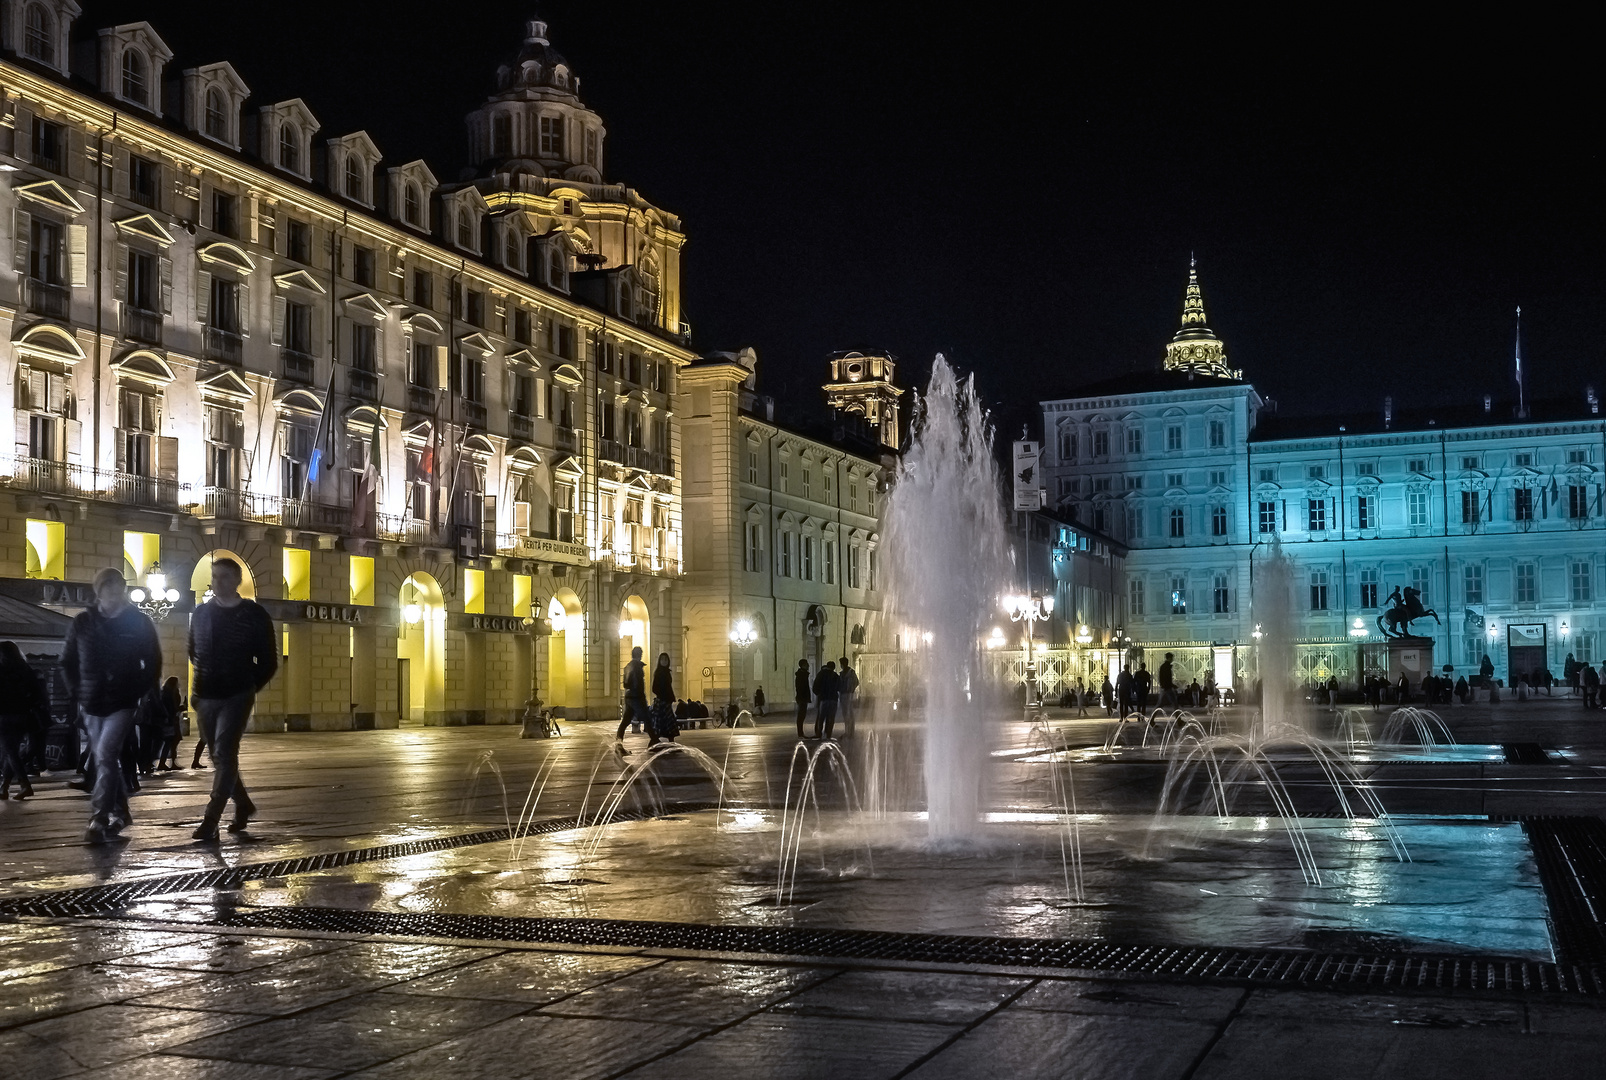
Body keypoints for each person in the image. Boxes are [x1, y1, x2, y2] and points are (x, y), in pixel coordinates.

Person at [62, 568, 162, 844]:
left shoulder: (138, 622)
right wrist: (78, 692)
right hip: (92, 701)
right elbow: (68, 661)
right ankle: (123, 811)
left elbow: (153, 662)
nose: (114, 592)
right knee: (105, 758)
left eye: (118, 587)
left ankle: (99, 817)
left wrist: (138, 691)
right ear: (99, 590)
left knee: (105, 753)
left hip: (122, 700)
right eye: (108, 587)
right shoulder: (83, 622)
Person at [187, 558, 278, 841]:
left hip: (236, 693)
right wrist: (199, 691)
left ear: (237, 581)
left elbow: (268, 661)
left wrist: (248, 687)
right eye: (214, 577)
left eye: (225, 577)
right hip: (205, 693)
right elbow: (194, 652)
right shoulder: (201, 613)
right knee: (219, 758)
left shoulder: (254, 614)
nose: (218, 582)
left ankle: (210, 819)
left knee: (225, 754)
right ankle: (244, 804)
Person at [0, 641, 48, 800]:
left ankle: (24, 784)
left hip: (5, 715)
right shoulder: (25, 668)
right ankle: (4, 788)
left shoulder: (2, 668)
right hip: (23, 716)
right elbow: (37, 692)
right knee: (10, 751)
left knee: (11, 751)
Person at [617, 646, 650, 755]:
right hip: (637, 697)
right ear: (639, 654)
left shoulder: (627, 666)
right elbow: (638, 683)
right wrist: (641, 697)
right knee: (647, 718)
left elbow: (625, 684)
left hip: (629, 696)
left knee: (625, 721)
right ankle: (655, 741)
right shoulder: (637, 667)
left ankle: (618, 744)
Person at [649, 651, 677, 747]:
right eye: (662, 659)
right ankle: (654, 742)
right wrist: (663, 695)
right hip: (662, 701)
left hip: (667, 701)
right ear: (659, 661)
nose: (664, 661)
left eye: (666, 659)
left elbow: (669, 687)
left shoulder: (667, 672)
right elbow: (654, 688)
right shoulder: (659, 672)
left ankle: (670, 743)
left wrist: (671, 697)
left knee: (668, 722)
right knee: (662, 722)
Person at [157, 676, 184, 770]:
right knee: (171, 741)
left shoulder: (166, 693)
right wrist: (181, 708)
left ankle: (168, 762)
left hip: (170, 719)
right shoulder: (170, 694)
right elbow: (172, 707)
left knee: (171, 741)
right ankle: (165, 762)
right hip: (171, 720)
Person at [813, 661, 841, 739]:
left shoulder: (821, 674)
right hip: (833, 699)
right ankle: (828, 734)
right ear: (833, 667)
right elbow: (839, 687)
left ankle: (819, 733)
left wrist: (819, 694)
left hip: (823, 699)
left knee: (821, 718)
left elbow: (815, 686)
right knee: (831, 718)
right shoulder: (835, 676)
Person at [837, 656, 860, 737]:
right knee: (845, 713)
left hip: (848, 694)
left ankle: (851, 731)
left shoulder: (851, 673)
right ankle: (847, 731)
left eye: (841, 664)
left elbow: (856, 682)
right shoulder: (842, 673)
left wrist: (851, 689)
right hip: (843, 694)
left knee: (849, 713)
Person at [794, 660, 812, 738]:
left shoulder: (802, 675)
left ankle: (800, 733)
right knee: (801, 715)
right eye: (807, 664)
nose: (809, 666)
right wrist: (803, 697)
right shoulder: (802, 675)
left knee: (801, 715)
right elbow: (801, 688)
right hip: (802, 698)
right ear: (803, 665)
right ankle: (800, 733)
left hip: (802, 698)